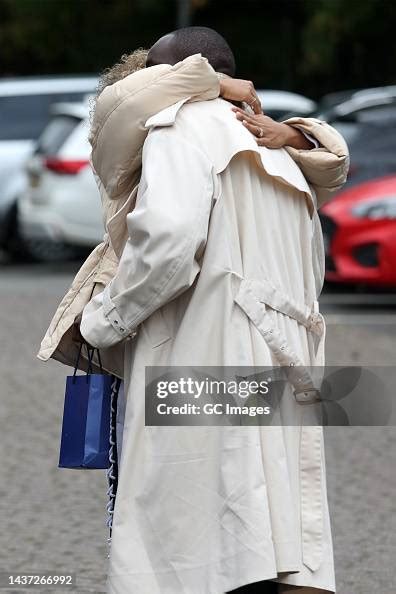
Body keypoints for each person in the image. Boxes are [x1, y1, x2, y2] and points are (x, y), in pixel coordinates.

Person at [74, 27, 348, 594]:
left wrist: (105, 320)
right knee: (268, 537)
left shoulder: (180, 129)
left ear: (168, 74)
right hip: (284, 359)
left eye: (149, 70)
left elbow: (170, 241)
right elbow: (310, 272)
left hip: (202, 353)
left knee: (189, 544)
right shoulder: (286, 156)